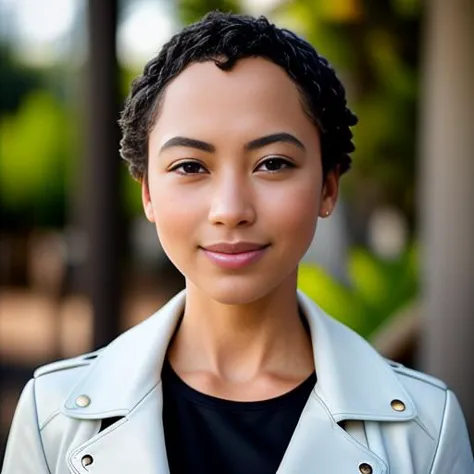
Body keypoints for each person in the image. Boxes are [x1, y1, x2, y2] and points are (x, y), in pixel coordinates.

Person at [2, 11, 473, 474]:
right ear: (147, 192)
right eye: (190, 166)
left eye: (271, 163)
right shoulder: (52, 417)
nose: (230, 209)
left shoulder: (427, 430)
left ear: (328, 187)